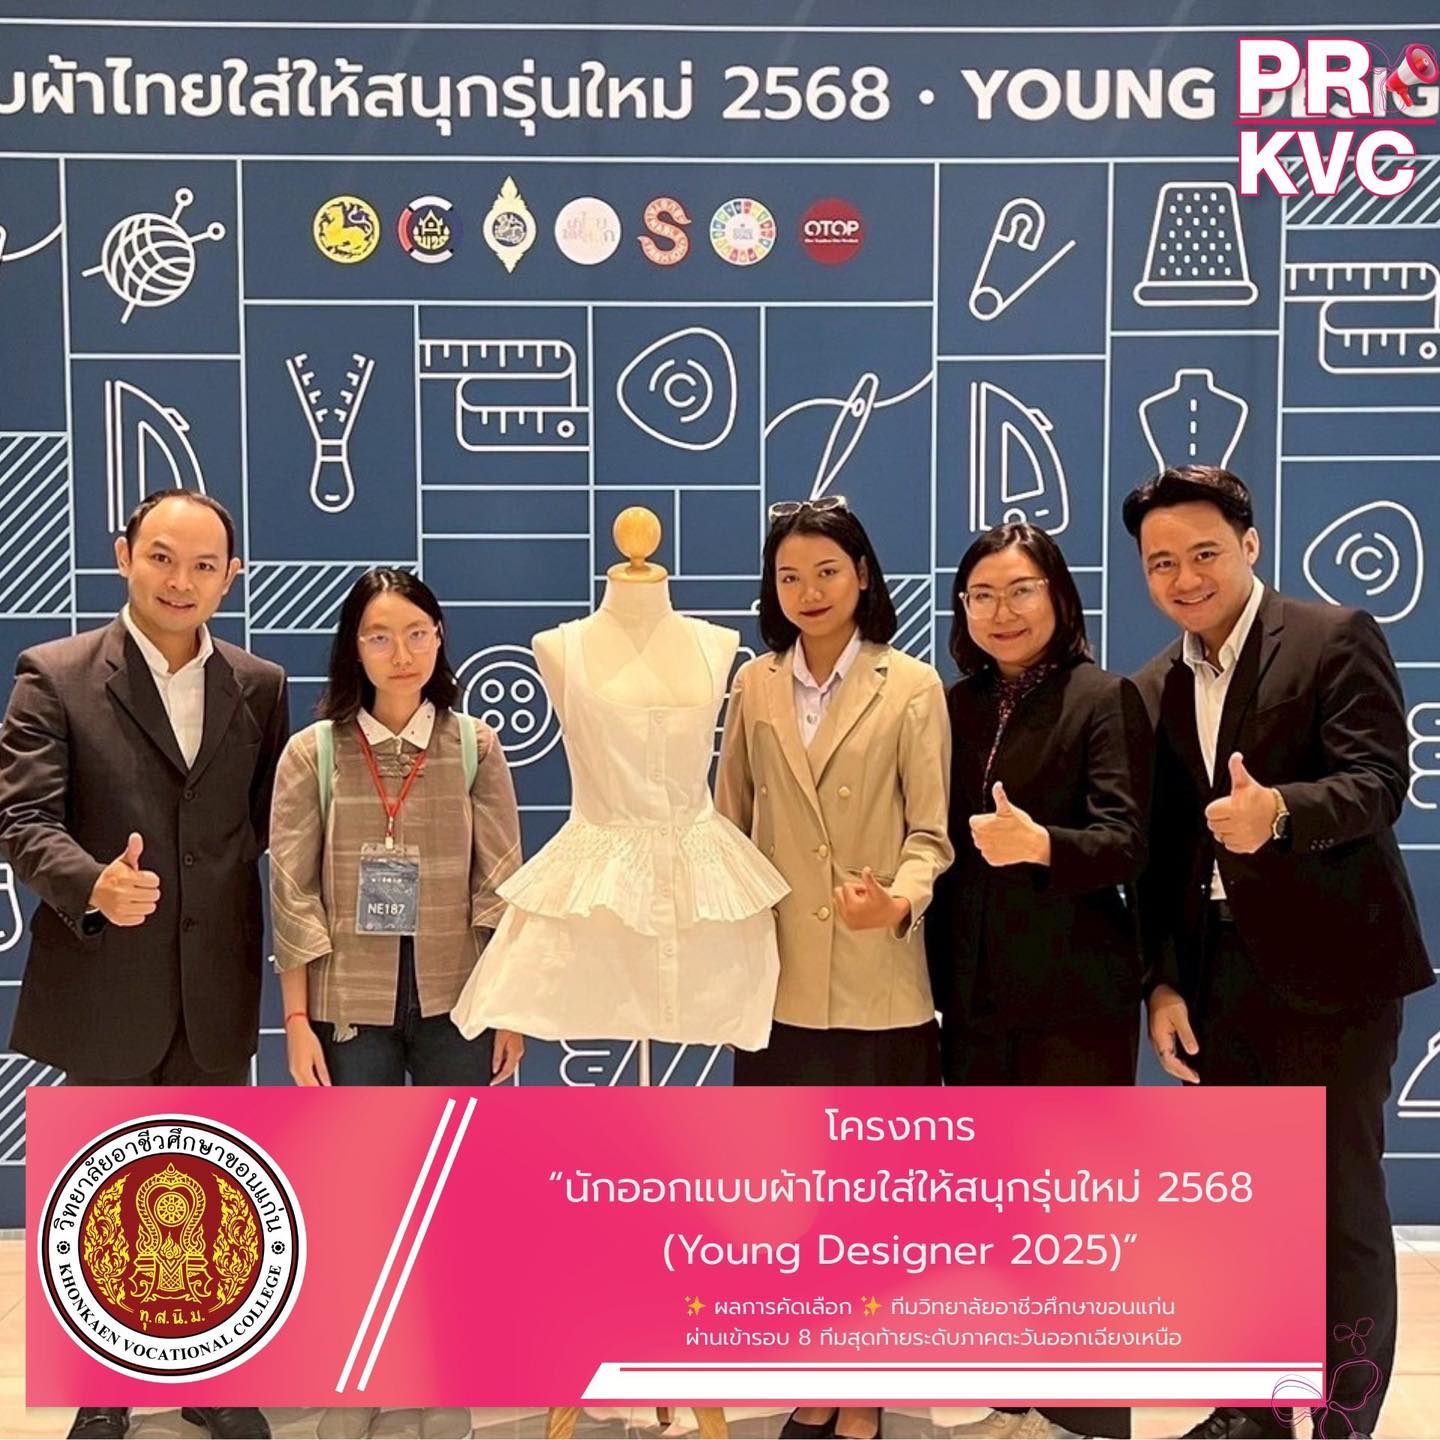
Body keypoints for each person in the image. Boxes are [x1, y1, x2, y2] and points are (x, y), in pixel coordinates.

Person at [1124, 465, 1434, 1440]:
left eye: (1204, 553)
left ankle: (1342, 1420)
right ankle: (1251, 1414)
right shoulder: (1153, 686)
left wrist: (1281, 814)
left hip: (1333, 976)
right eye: (1161, 563)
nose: (1185, 578)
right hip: (1216, 980)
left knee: (1339, 1213)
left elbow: (1380, 779)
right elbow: (1160, 857)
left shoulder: (1331, 637)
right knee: (1239, 1213)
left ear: (1249, 545)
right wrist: (1162, 983)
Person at [0, 489, 286, 1440]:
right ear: (124, 554)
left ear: (230, 577)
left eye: (204, 565)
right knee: (104, 1188)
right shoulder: (56, 674)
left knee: (215, 1183)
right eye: (162, 557)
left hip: (216, 983)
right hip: (106, 977)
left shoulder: (260, 684)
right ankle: (105, 1387)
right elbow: (22, 818)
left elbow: (260, 825)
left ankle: (209, 1376)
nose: (180, 581)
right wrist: (93, 885)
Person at [716, 496, 953, 1440]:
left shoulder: (912, 685)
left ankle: (866, 1391)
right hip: (775, 984)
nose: (809, 591)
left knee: (876, 1205)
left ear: (861, 575)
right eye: (789, 576)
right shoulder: (754, 685)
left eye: (826, 571)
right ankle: (815, 1374)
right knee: (792, 1203)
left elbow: (931, 834)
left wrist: (898, 899)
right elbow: (728, 824)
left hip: (877, 982)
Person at [928, 524, 1147, 1440]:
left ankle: (1086, 1417)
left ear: (1057, 595)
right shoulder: (953, 705)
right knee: (993, 1209)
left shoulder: (1104, 697)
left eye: (1020, 590)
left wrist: (1041, 845)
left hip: (1075, 998)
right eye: (981, 595)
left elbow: (1127, 841)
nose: (1002, 612)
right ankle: (1011, 1395)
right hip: (973, 995)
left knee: (1073, 1215)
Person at [269, 567, 525, 1088]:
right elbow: (294, 895)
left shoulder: (475, 746)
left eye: (417, 634)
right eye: (380, 639)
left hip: (461, 999)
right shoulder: (313, 752)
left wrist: (509, 1010)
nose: (403, 656)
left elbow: (500, 887)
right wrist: (296, 1020)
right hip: (346, 1004)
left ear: (439, 636)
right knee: (361, 1142)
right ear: (355, 648)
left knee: (459, 1138)